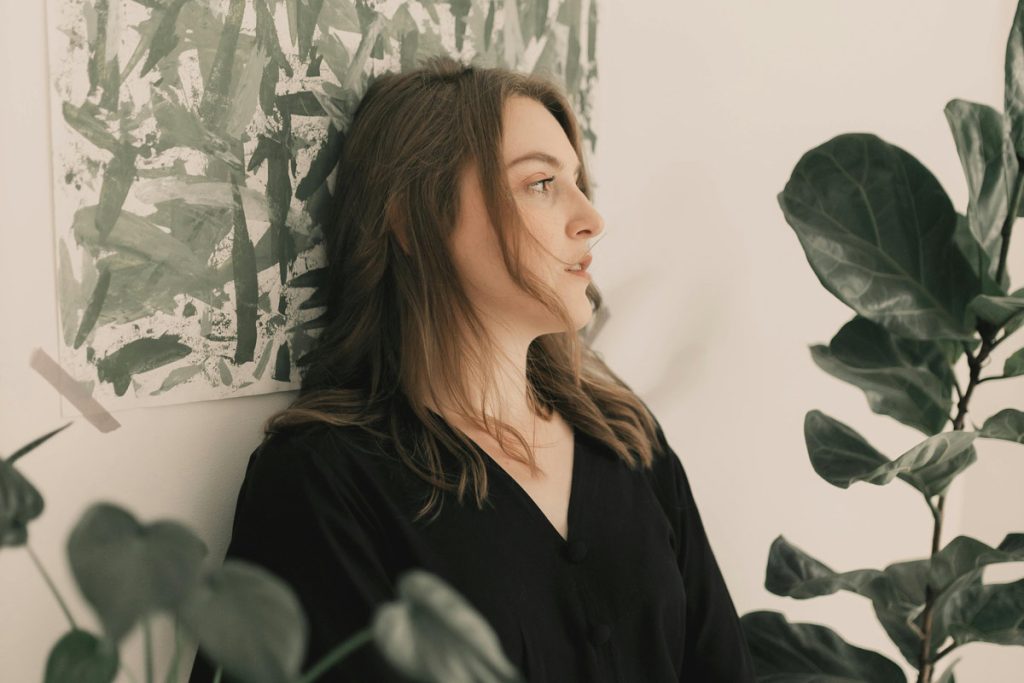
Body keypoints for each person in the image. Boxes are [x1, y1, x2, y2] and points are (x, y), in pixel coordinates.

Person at [188, 55, 756, 682]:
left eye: (577, 182)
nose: (591, 219)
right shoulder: (324, 483)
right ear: (411, 217)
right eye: (541, 184)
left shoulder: (626, 440)